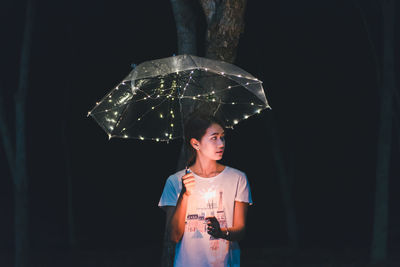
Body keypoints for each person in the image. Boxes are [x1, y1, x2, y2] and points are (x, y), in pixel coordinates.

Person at [158, 113, 253, 267]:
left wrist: (221, 232)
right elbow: (174, 236)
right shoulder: (175, 181)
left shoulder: (237, 178)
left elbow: (240, 231)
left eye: (222, 137)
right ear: (196, 144)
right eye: (214, 138)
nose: (221, 143)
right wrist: (184, 195)